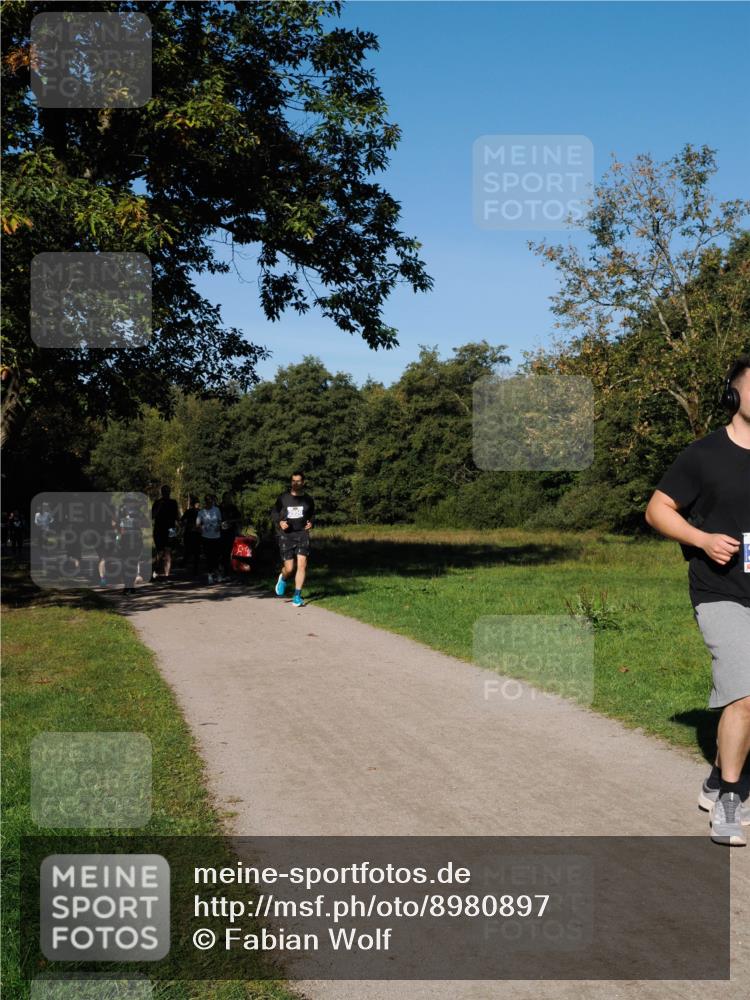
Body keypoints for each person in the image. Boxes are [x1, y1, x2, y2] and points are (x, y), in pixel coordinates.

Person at [645, 356, 750, 846]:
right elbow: (657, 510)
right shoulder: (703, 455)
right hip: (720, 590)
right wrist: (702, 539)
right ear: (733, 394)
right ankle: (731, 797)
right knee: (746, 695)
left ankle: (714, 778)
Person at [271, 471, 315, 607]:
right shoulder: (283, 498)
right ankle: (283, 578)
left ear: (303, 482)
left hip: (302, 534)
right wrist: (280, 522)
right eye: (293, 481)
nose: (295, 483)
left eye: (298, 481)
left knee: (302, 565)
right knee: (289, 568)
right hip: (286, 535)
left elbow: (312, 514)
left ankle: (297, 595)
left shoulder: (308, 499)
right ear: (291, 482)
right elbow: (274, 512)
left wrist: (311, 522)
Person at [151, 485, 179, 584]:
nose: (166, 493)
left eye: (167, 491)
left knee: (168, 552)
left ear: (169, 492)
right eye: (164, 491)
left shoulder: (173, 502)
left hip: (171, 529)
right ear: (162, 492)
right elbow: (152, 516)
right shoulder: (157, 502)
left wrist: (177, 529)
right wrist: (159, 506)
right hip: (159, 530)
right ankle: (155, 571)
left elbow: (177, 516)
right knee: (160, 553)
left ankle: (167, 576)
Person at [196, 493, 223, 584]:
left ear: (213, 501)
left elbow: (220, 521)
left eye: (211, 500)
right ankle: (210, 575)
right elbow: (197, 525)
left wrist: (218, 526)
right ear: (205, 501)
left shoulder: (217, 510)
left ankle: (218, 574)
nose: (209, 502)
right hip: (206, 537)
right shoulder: (201, 512)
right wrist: (201, 528)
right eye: (207, 500)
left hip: (216, 537)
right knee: (208, 557)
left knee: (216, 556)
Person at [220, 491, 242, 577]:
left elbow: (239, 518)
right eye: (227, 498)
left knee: (228, 552)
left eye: (230, 498)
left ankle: (227, 571)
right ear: (224, 498)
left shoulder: (233, 508)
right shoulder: (219, 508)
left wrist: (230, 521)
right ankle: (220, 569)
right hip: (219, 532)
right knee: (221, 552)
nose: (229, 499)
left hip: (230, 532)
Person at [180, 495, 202, 575]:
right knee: (194, 550)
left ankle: (187, 564)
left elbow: (182, 520)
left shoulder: (192, 511)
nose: (197, 504)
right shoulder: (198, 511)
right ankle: (191, 566)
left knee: (191, 550)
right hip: (193, 532)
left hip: (192, 532)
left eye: (197, 503)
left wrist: (185, 525)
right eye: (197, 503)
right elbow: (182, 520)